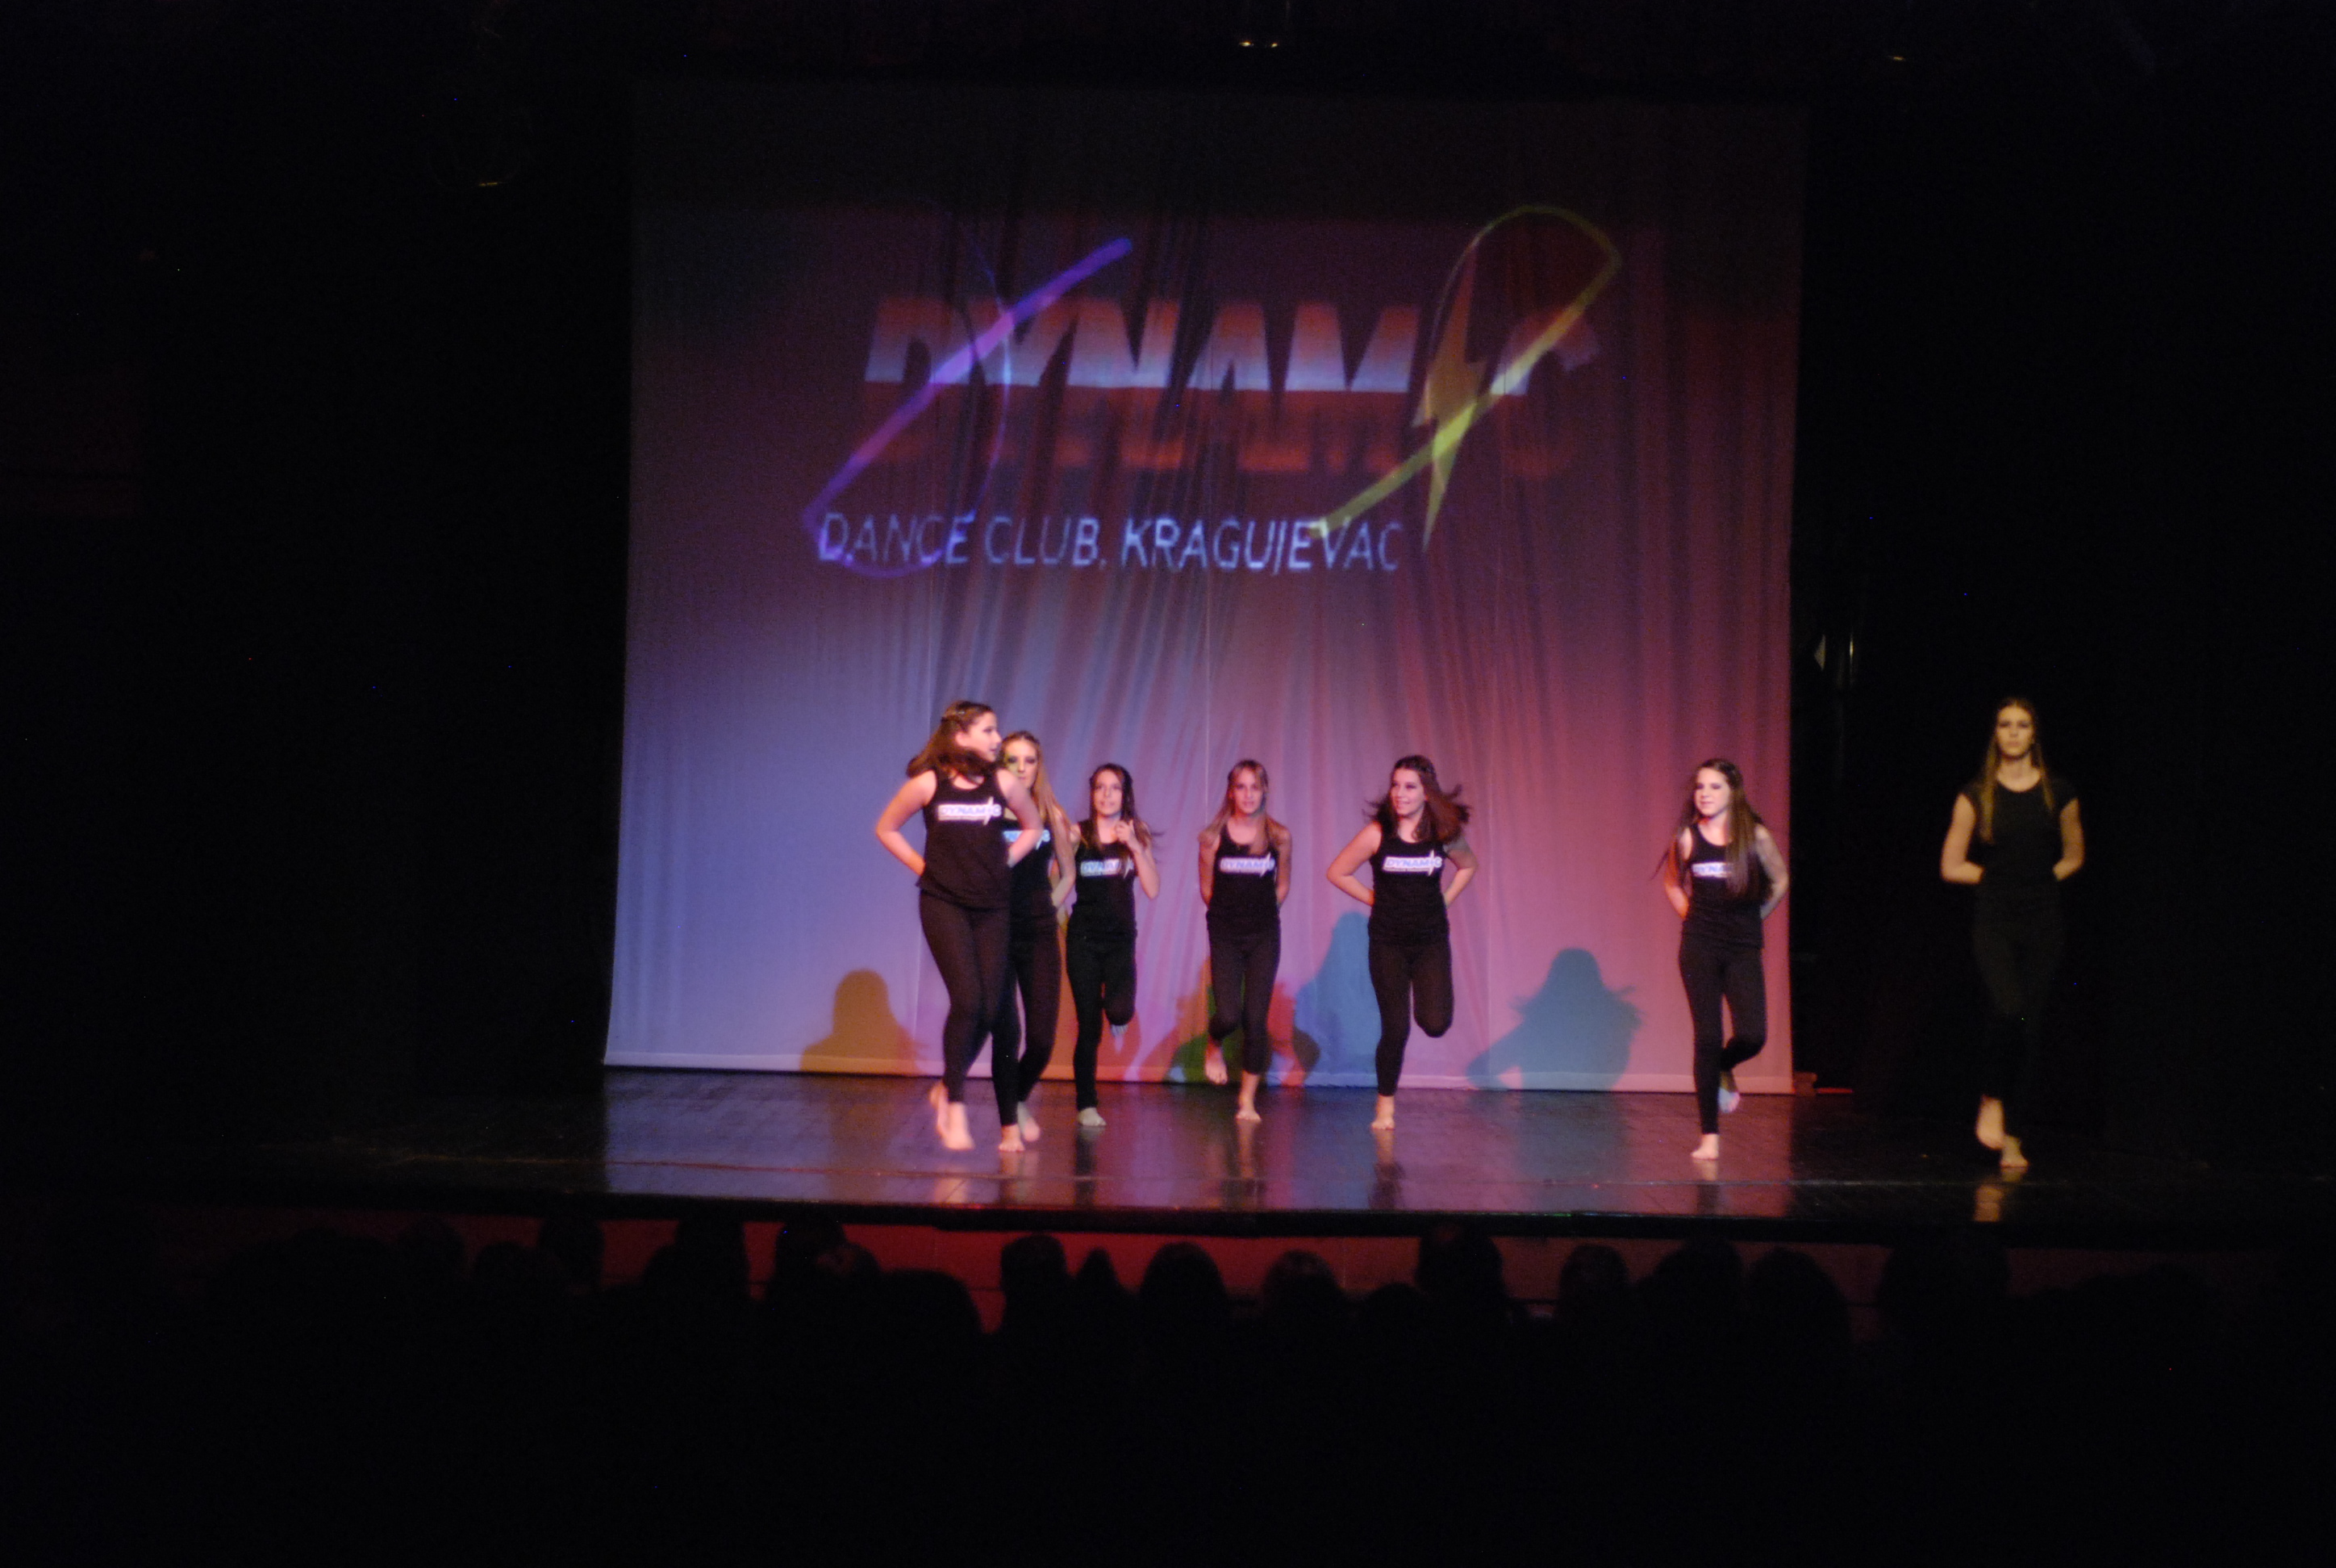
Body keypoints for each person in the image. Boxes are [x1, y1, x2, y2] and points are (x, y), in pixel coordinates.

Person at [874, 701, 1042, 1152]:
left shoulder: (1002, 782)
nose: (997, 739)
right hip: (944, 904)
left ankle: (946, 1086)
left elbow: (1033, 825)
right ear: (961, 735)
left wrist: (1005, 860)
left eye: (997, 730)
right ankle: (955, 1103)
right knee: (968, 1000)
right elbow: (887, 828)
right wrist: (924, 869)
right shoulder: (930, 784)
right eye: (988, 730)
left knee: (990, 1008)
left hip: (992, 907)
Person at [1939, 699, 2083, 1172]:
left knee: (2030, 1026)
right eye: (2006, 725)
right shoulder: (1976, 795)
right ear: (1996, 733)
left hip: (2043, 919)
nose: (2015, 732)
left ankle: (2014, 1138)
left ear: (2034, 733)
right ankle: (1991, 1095)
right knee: (2008, 1008)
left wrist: (2040, 882)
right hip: (1995, 919)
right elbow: (1951, 865)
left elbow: (2074, 856)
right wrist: (1997, 880)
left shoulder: (2058, 792)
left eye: (2023, 725)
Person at [1327, 756, 1479, 1130]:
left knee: (1435, 1022)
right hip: (1388, 942)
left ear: (1427, 793)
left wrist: (1444, 900)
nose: (1399, 793)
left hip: (1430, 941)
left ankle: (1389, 1097)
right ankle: (1385, 1106)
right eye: (1395, 785)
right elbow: (1338, 871)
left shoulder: (1442, 834)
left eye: (1409, 787)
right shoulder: (1378, 833)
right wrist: (1376, 900)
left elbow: (1468, 865)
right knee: (1395, 1028)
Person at [1660, 758, 1788, 1162]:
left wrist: (1756, 918)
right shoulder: (1687, 838)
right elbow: (1672, 883)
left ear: (1733, 791)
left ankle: (1721, 1068)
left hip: (1742, 948)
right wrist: (1692, 919)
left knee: (1753, 1034)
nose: (1705, 794)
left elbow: (1780, 879)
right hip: (1699, 947)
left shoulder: (1755, 837)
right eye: (1700, 786)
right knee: (1707, 1038)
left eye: (1715, 786)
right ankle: (1710, 1136)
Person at [991, 731, 1076, 1143]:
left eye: (1030, 760)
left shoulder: (1050, 813)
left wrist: (1047, 905)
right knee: (1007, 1033)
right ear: (1001, 764)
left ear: (1039, 766)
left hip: (1039, 932)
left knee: (1042, 1039)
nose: (1022, 768)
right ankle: (1009, 1122)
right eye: (1013, 760)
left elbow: (1069, 873)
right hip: (996, 933)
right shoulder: (988, 813)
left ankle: (1018, 1096)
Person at [1198, 760, 1294, 1121]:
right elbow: (1207, 889)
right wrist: (1229, 916)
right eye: (1241, 787)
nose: (1248, 794)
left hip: (1264, 934)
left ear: (1264, 791)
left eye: (1255, 787)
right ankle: (1214, 1044)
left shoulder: (1278, 836)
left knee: (1255, 1018)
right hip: (1225, 933)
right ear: (1230, 792)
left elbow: (1283, 884)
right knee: (1228, 1014)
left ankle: (1247, 1100)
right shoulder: (1213, 838)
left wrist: (1264, 912)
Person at [1065, 764, 1158, 1128]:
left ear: (1125, 794)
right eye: (1100, 788)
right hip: (1084, 941)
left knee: (1119, 1012)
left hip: (1120, 942)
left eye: (1115, 788)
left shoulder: (1137, 831)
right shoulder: (1078, 834)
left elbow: (1152, 888)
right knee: (1089, 1027)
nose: (1107, 795)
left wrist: (1134, 845)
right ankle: (1086, 1104)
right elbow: (1058, 881)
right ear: (1092, 793)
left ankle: (1117, 1015)